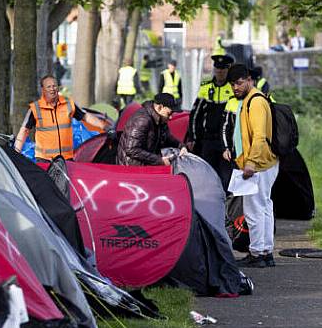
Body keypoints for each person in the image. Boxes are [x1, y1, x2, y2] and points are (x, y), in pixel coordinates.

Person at [221, 64, 279, 268]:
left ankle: (257, 253)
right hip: (265, 162)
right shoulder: (252, 99)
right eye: (232, 84)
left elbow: (260, 136)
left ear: (249, 80)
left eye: (238, 83)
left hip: (259, 164)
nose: (235, 88)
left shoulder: (254, 102)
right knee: (264, 207)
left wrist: (251, 162)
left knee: (254, 210)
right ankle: (265, 251)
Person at [15, 75, 110, 161]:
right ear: (43, 89)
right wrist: (16, 153)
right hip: (44, 159)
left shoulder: (69, 105)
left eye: (54, 86)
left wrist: (104, 126)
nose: (52, 89)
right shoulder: (35, 109)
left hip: (66, 159)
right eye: (48, 87)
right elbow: (24, 131)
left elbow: (86, 117)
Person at [184, 53, 235, 188]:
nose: (219, 72)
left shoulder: (232, 88)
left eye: (223, 69)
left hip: (226, 141)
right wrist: (193, 137)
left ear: (228, 70)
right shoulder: (206, 88)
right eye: (217, 69)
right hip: (208, 140)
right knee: (207, 175)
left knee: (226, 177)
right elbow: (195, 115)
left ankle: (225, 205)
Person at [116, 93, 185, 166]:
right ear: (160, 107)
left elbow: (167, 138)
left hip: (145, 165)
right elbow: (131, 149)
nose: (171, 117)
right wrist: (159, 160)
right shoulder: (142, 120)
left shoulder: (160, 119)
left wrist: (181, 146)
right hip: (131, 168)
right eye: (169, 113)